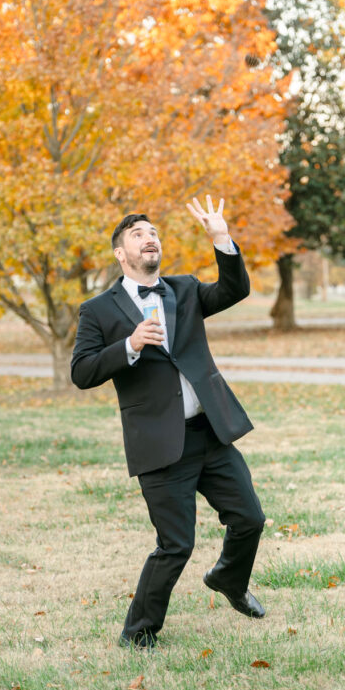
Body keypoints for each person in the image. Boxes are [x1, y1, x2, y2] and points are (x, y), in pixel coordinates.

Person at [71, 196, 266, 649]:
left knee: (250, 519)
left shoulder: (184, 289)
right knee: (176, 545)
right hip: (159, 444)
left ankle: (228, 580)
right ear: (121, 254)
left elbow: (234, 290)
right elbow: (81, 372)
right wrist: (130, 345)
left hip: (209, 432)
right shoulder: (97, 310)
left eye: (154, 232)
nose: (149, 239)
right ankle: (138, 633)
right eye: (138, 235)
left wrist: (222, 239)